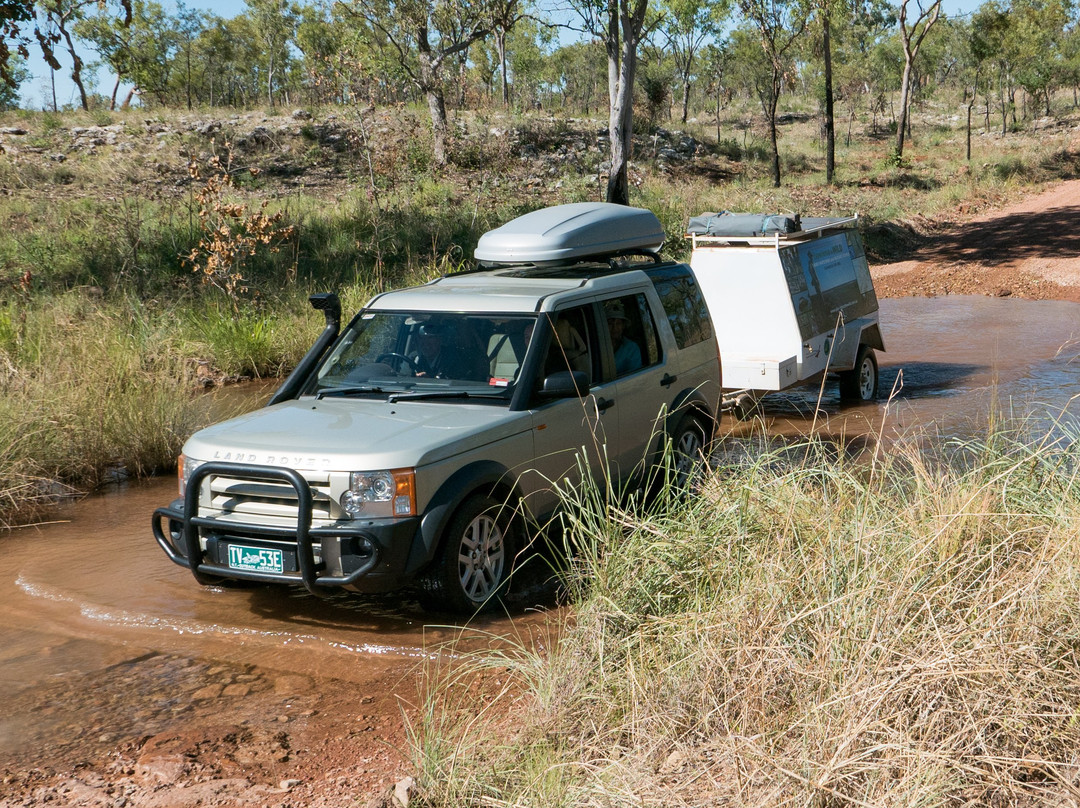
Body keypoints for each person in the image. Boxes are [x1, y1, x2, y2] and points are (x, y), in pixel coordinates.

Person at [606, 300, 641, 375]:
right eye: (610, 323)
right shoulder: (597, 347)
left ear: (623, 326)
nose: (614, 328)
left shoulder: (632, 348)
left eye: (618, 323)